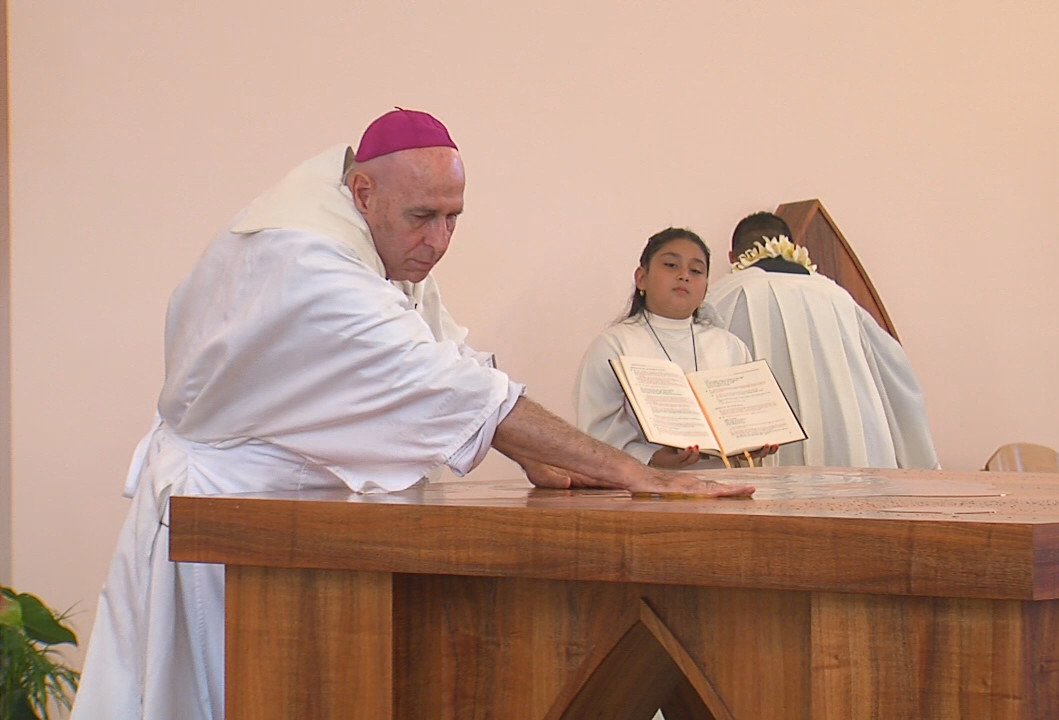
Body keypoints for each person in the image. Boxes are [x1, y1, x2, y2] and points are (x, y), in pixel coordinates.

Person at [70, 111, 754, 720]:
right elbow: (441, 383)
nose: (440, 239)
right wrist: (634, 472)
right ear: (363, 192)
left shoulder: (360, 237)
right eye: (423, 217)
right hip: (225, 529)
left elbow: (448, 355)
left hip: (285, 528)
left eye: (453, 217)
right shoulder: (309, 261)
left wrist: (530, 452)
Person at [704, 211, 940, 469]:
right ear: (791, 247)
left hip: (764, 444)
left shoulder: (724, 294)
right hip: (846, 439)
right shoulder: (837, 295)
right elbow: (895, 371)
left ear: (733, 257)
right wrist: (919, 457)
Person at [575, 227, 777, 470]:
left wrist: (753, 442)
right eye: (671, 265)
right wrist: (651, 456)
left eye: (696, 270)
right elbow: (597, 432)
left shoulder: (729, 346)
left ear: (704, 289)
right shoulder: (614, 345)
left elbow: (747, 417)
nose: (684, 275)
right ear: (641, 278)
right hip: (645, 489)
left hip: (724, 485)